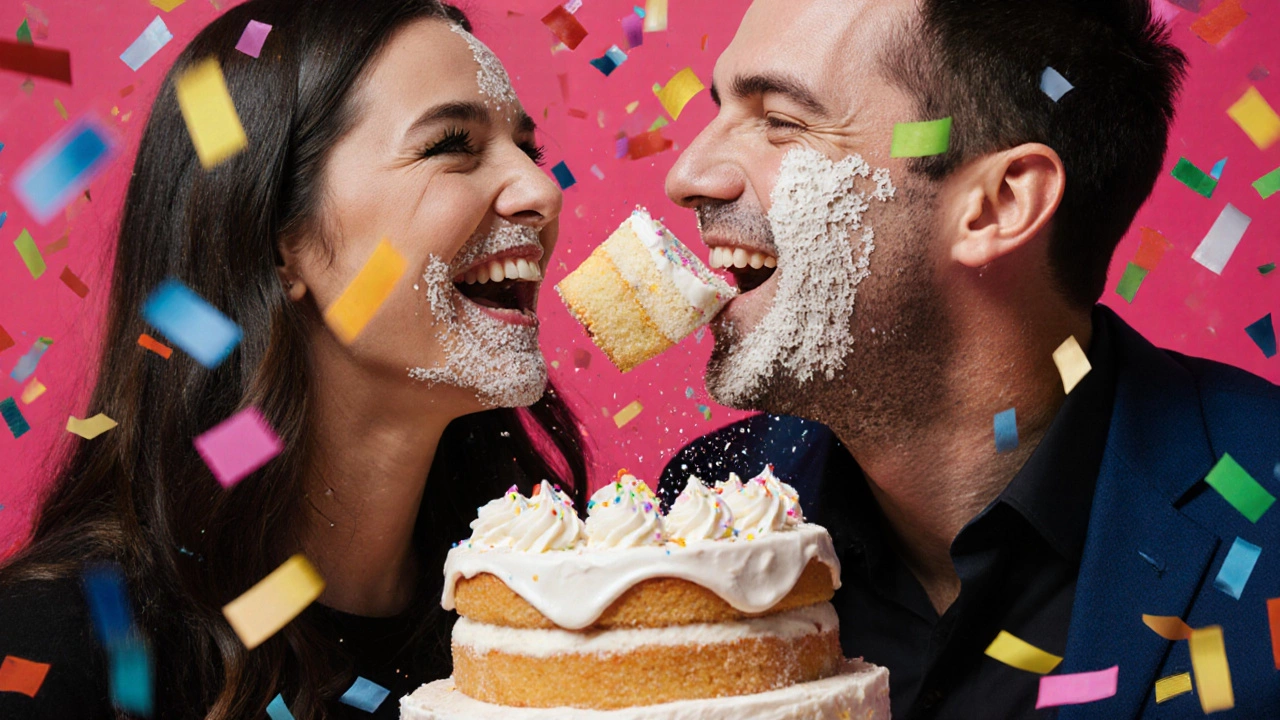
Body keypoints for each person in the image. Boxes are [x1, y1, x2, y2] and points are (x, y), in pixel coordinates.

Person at [658, 0, 1280, 718]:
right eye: (720, 107)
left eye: (781, 120)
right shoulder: (706, 507)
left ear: (997, 205)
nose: (688, 175)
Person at [0, 1, 587, 718]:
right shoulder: (61, 647)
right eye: (450, 146)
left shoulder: (546, 609)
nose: (541, 191)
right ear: (281, 240)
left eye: (532, 151)